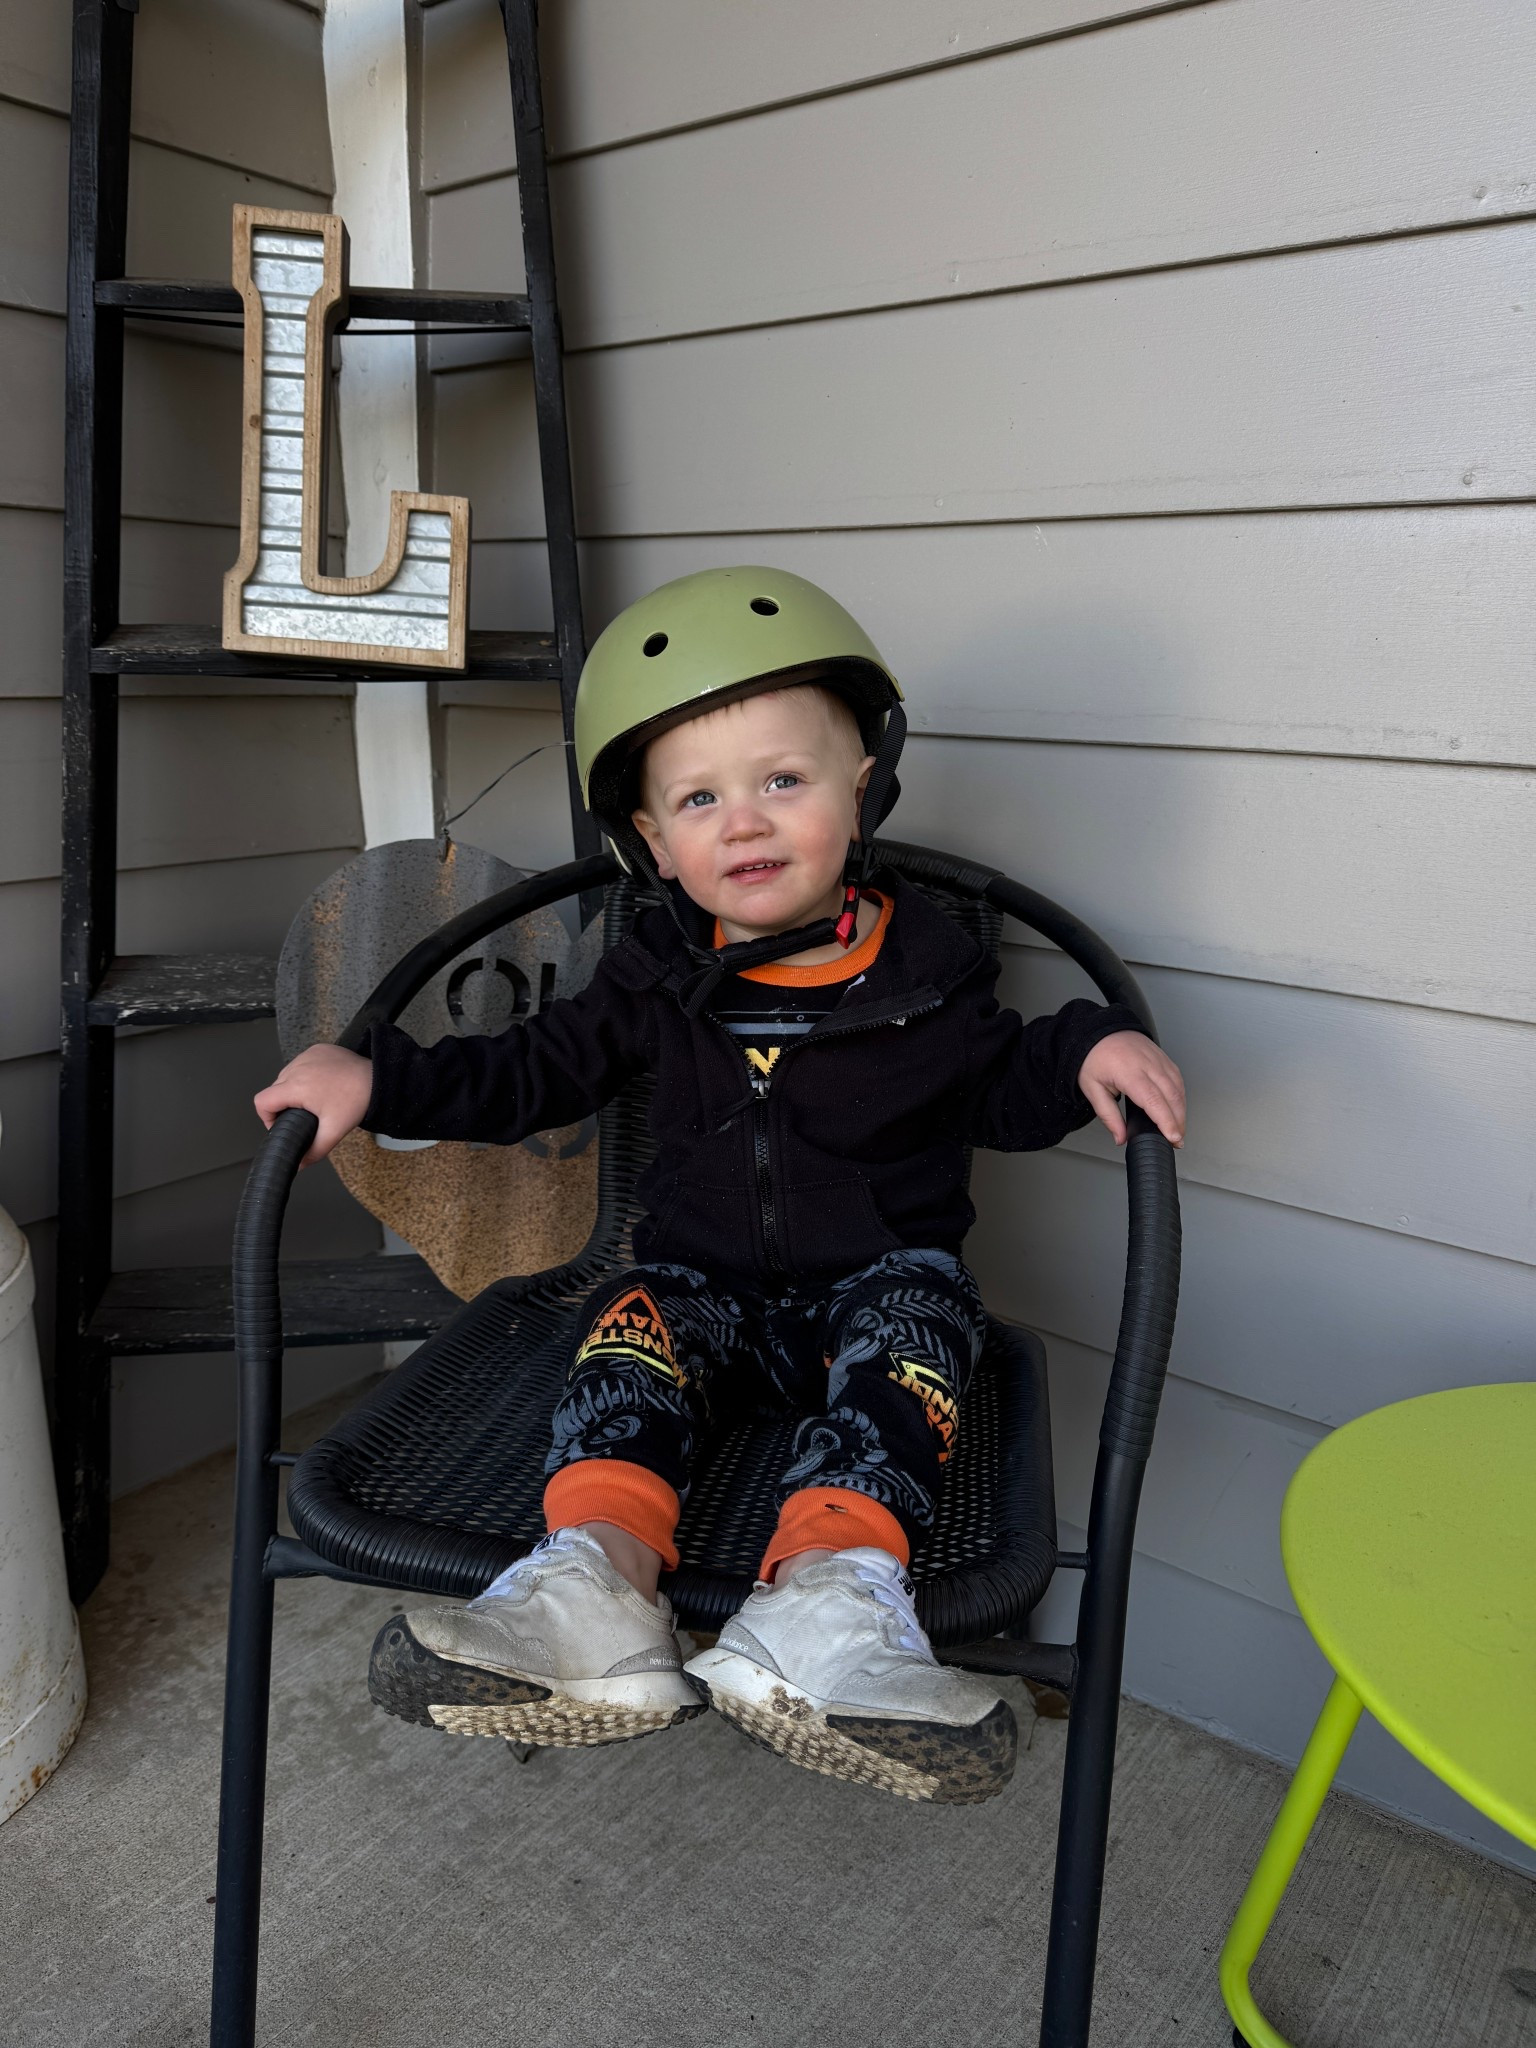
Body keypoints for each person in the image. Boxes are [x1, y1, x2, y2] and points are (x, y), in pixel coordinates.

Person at [256, 566, 1185, 1805]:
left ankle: (829, 1607)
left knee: (925, 1325)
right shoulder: (653, 972)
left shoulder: (930, 969)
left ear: (862, 789)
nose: (743, 822)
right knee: (626, 1333)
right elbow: (534, 1069)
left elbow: (1005, 1088)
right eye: (699, 797)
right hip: (696, 1281)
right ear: (651, 839)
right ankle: (596, 1587)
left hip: (875, 1284)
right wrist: (378, 1076)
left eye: (783, 780)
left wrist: (1084, 1049)